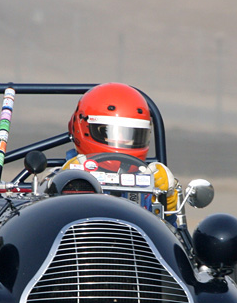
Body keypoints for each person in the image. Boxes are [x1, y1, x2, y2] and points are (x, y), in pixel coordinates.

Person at [64, 82, 178, 216]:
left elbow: (166, 233)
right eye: (108, 132)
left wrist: (166, 201)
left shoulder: (147, 183)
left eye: (132, 134)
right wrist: (63, 184)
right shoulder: (60, 175)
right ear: (83, 128)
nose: (121, 139)